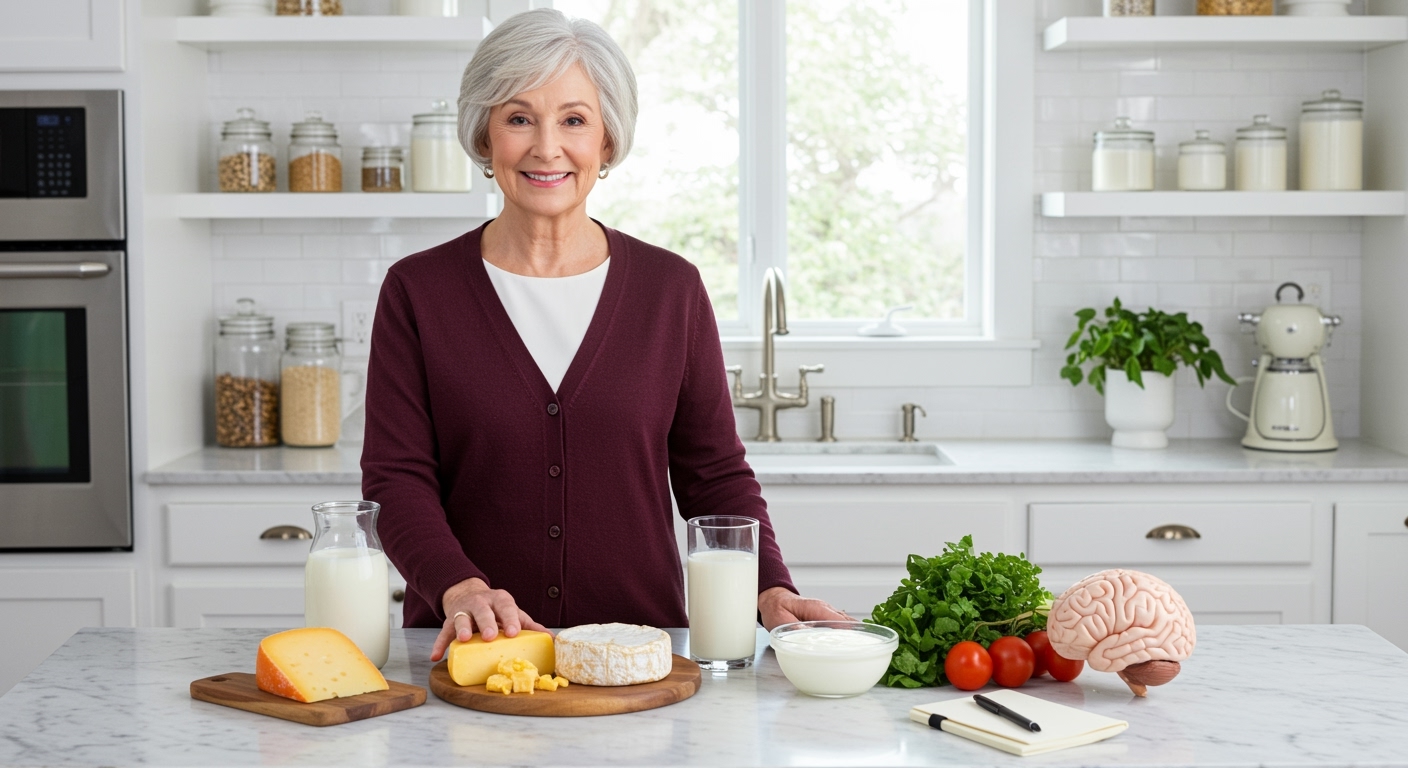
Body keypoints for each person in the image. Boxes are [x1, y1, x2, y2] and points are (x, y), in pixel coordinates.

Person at [361, 8, 847, 663]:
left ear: (608, 141)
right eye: (518, 117)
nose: (546, 147)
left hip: (643, 656)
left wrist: (769, 587)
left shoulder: (669, 289)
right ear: (483, 136)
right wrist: (459, 586)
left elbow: (714, 475)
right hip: (476, 657)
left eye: (573, 119)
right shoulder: (418, 292)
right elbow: (396, 480)